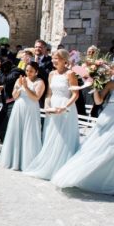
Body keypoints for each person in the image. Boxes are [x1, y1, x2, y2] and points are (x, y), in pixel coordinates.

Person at [51, 60, 114, 195]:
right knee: (93, 148)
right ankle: (82, 176)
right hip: (105, 120)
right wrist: (95, 86)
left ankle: (111, 182)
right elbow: (98, 101)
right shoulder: (112, 84)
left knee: (113, 152)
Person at [25, 49, 80, 179]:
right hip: (53, 106)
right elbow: (49, 93)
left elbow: (75, 94)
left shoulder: (70, 74)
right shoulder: (51, 74)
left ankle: (62, 169)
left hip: (66, 107)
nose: (54, 61)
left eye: (57, 58)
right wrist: (47, 106)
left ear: (65, 60)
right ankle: (50, 165)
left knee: (64, 137)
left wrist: (64, 107)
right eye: (53, 58)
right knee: (51, 135)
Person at [0, 61, 44, 170]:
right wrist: (19, 87)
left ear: (36, 72)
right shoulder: (20, 79)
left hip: (31, 109)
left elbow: (36, 97)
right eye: (27, 70)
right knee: (16, 132)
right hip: (18, 108)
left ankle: (28, 162)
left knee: (29, 133)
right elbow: (14, 95)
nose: (28, 73)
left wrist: (26, 87)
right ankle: (14, 160)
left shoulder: (40, 82)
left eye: (31, 71)